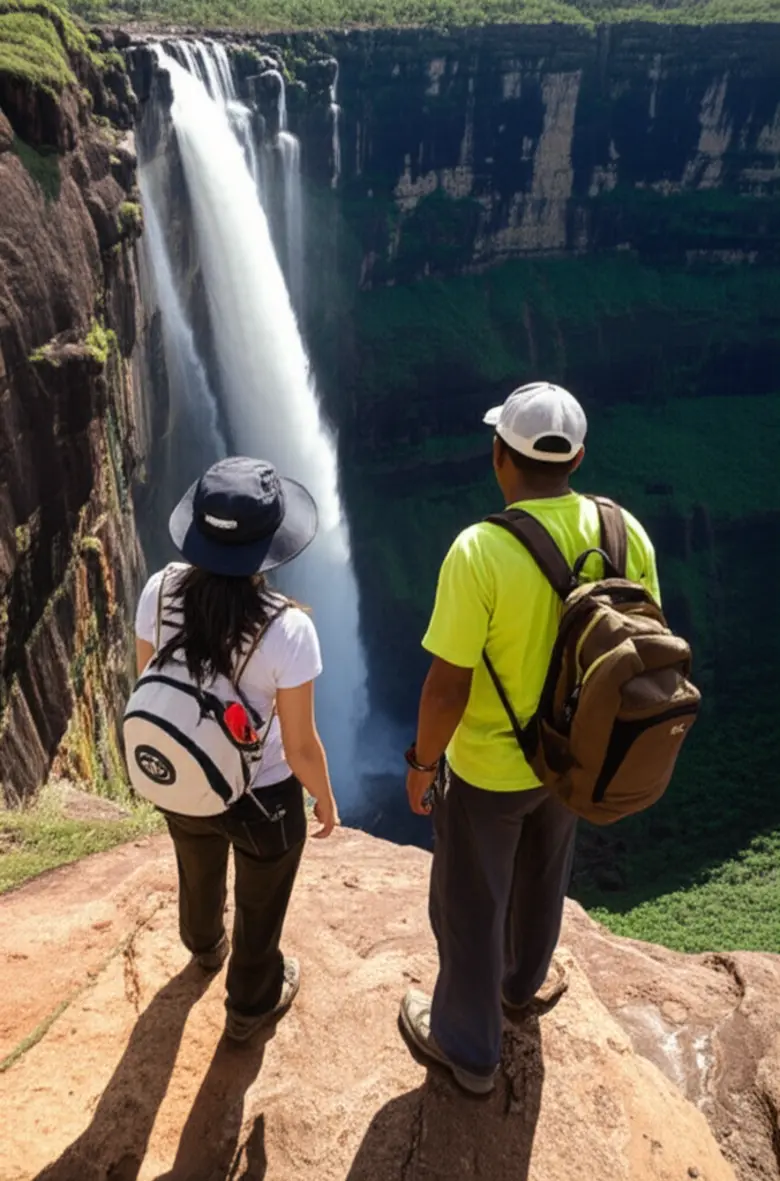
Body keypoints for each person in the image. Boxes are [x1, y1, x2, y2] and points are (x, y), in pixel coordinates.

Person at [399, 382, 660, 1094]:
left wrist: (422, 763)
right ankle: (521, 987)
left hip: (487, 769)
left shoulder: (479, 551)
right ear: (577, 455)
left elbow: (446, 685)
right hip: (575, 758)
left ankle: (469, 1048)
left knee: (471, 905)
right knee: (544, 876)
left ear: (498, 458)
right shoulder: (624, 531)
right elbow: (642, 646)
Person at [134, 456, 339, 1042]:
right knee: (263, 898)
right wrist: (323, 799)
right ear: (271, 545)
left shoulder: (160, 589)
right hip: (262, 794)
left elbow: (150, 684)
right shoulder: (287, 629)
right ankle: (249, 1007)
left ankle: (203, 947)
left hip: (182, 773)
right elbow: (300, 746)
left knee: (196, 867)